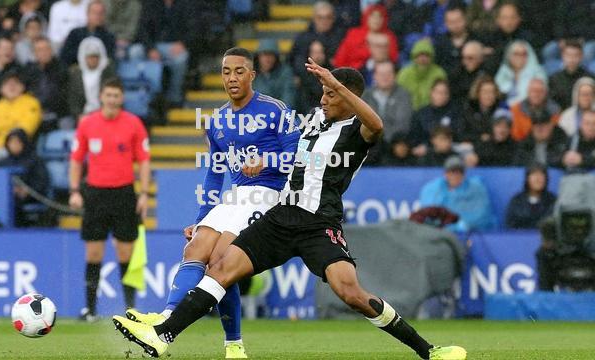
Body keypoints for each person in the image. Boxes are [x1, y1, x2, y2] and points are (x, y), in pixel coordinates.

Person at [112, 60, 467, 360]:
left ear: (350, 97)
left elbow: (377, 125)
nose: (324, 99)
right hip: (281, 218)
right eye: (324, 92)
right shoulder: (313, 119)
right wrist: (262, 157)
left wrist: (337, 86)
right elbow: (292, 155)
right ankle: (164, 334)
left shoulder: (358, 133)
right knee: (222, 268)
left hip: (319, 225)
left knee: (351, 293)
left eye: (331, 94)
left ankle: (429, 351)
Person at [124, 47, 300, 359]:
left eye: (239, 71)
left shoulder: (276, 110)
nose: (232, 77)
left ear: (252, 75)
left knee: (221, 261)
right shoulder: (217, 121)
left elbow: (301, 158)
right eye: (226, 71)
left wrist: (267, 159)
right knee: (194, 249)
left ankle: (233, 343)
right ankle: (167, 317)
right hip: (236, 197)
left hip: (270, 194)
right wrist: (202, 216)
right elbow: (214, 175)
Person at [68, 78, 151, 322]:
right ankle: (90, 310)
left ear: (121, 98)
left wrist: (144, 193)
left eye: (116, 95)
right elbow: (76, 159)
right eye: (109, 95)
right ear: (101, 97)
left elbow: (144, 160)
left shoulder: (134, 124)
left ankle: (131, 310)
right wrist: (74, 190)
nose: (112, 100)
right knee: (93, 253)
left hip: (124, 193)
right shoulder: (87, 124)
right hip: (95, 194)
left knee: (126, 253)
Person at [420, 155, 496, 232]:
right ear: (445, 174)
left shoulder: (476, 188)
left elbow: (482, 215)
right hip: (440, 234)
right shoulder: (432, 189)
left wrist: (460, 225)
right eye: (452, 172)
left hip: (473, 233)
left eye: (459, 172)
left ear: (464, 174)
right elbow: (428, 213)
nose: (455, 176)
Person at [0, 71, 42, 153]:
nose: (12, 87)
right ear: (1, 89)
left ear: (23, 86)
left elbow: (26, 129)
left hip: (20, 147)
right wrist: (13, 122)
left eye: (16, 83)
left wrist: (1, 126)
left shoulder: (31, 102)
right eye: (7, 83)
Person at [289, 1, 345, 79]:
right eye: (320, 17)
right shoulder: (302, 38)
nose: (324, 21)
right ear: (314, 18)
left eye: (328, 17)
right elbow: (291, 60)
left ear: (333, 19)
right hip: (305, 81)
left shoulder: (342, 37)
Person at [332, 4, 399, 69]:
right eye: (373, 16)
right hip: (354, 73)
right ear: (367, 17)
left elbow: (393, 58)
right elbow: (340, 59)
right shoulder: (354, 34)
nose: (376, 20)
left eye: (380, 17)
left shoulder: (390, 36)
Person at [361, 60, 412, 143]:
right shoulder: (366, 96)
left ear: (395, 75)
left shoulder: (404, 95)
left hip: (395, 144)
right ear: (374, 76)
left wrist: (383, 140)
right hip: (368, 144)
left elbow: (403, 125)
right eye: (381, 74)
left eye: (388, 74)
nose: (385, 77)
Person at [67, 36, 116, 122]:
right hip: (83, 115)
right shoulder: (76, 75)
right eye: (90, 57)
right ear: (84, 57)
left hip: (105, 114)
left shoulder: (109, 74)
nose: (93, 60)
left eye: (95, 57)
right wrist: (78, 115)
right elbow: (73, 100)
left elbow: (114, 96)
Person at [409, 80, 462, 156]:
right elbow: (414, 137)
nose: (441, 95)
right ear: (431, 92)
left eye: (444, 93)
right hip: (425, 153)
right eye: (438, 92)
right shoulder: (421, 114)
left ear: (448, 95)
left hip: (450, 152)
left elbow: (457, 134)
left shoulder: (455, 113)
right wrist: (426, 147)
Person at [60, 0, 116, 66]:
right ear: (87, 13)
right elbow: (66, 56)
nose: (97, 16)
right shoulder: (75, 34)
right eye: (94, 13)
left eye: (101, 13)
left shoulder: (109, 37)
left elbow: (109, 58)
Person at [397, 38, 447, 111]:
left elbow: (443, 94)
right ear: (414, 56)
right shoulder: (404, 73)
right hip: (407, 111)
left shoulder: (439, 73)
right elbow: (398, 94)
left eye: (427, 55)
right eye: (419, 55)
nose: (423, 58)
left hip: (432, 111)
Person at [495, 40, 546, 107]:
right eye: (516, 54)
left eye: (523, 54)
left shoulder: (538, 73)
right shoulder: (503, 72)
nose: (519, 57)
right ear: (509, 56)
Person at [505, 164, 556, 229]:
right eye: (534, 174)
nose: (538, 178)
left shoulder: (552, 200)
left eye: (541, 175)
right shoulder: (517, 201)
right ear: (527, 179)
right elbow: (510, 225)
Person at [549, 40, 594, 111]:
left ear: (581, 56)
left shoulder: (590, 78)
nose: (572, 59)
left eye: (576, 55)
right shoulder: (554, 79)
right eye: (568, 55)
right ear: (562, 56)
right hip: (561, 117)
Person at [461, 75, 506, 144]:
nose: (489, 96)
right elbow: (461, 133)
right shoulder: (469, 108)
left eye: (492, 92)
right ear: (477, 93)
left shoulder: (502, 109)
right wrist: (479, 137)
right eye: (485, 92)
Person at [253, 39, 296, 107]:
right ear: (258, 57)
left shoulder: (285, 73)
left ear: (276, 57)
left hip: (278, 114)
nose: (267, 59)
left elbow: (288, 99)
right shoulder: (251, 74)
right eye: (264, 55)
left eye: (271, 55)